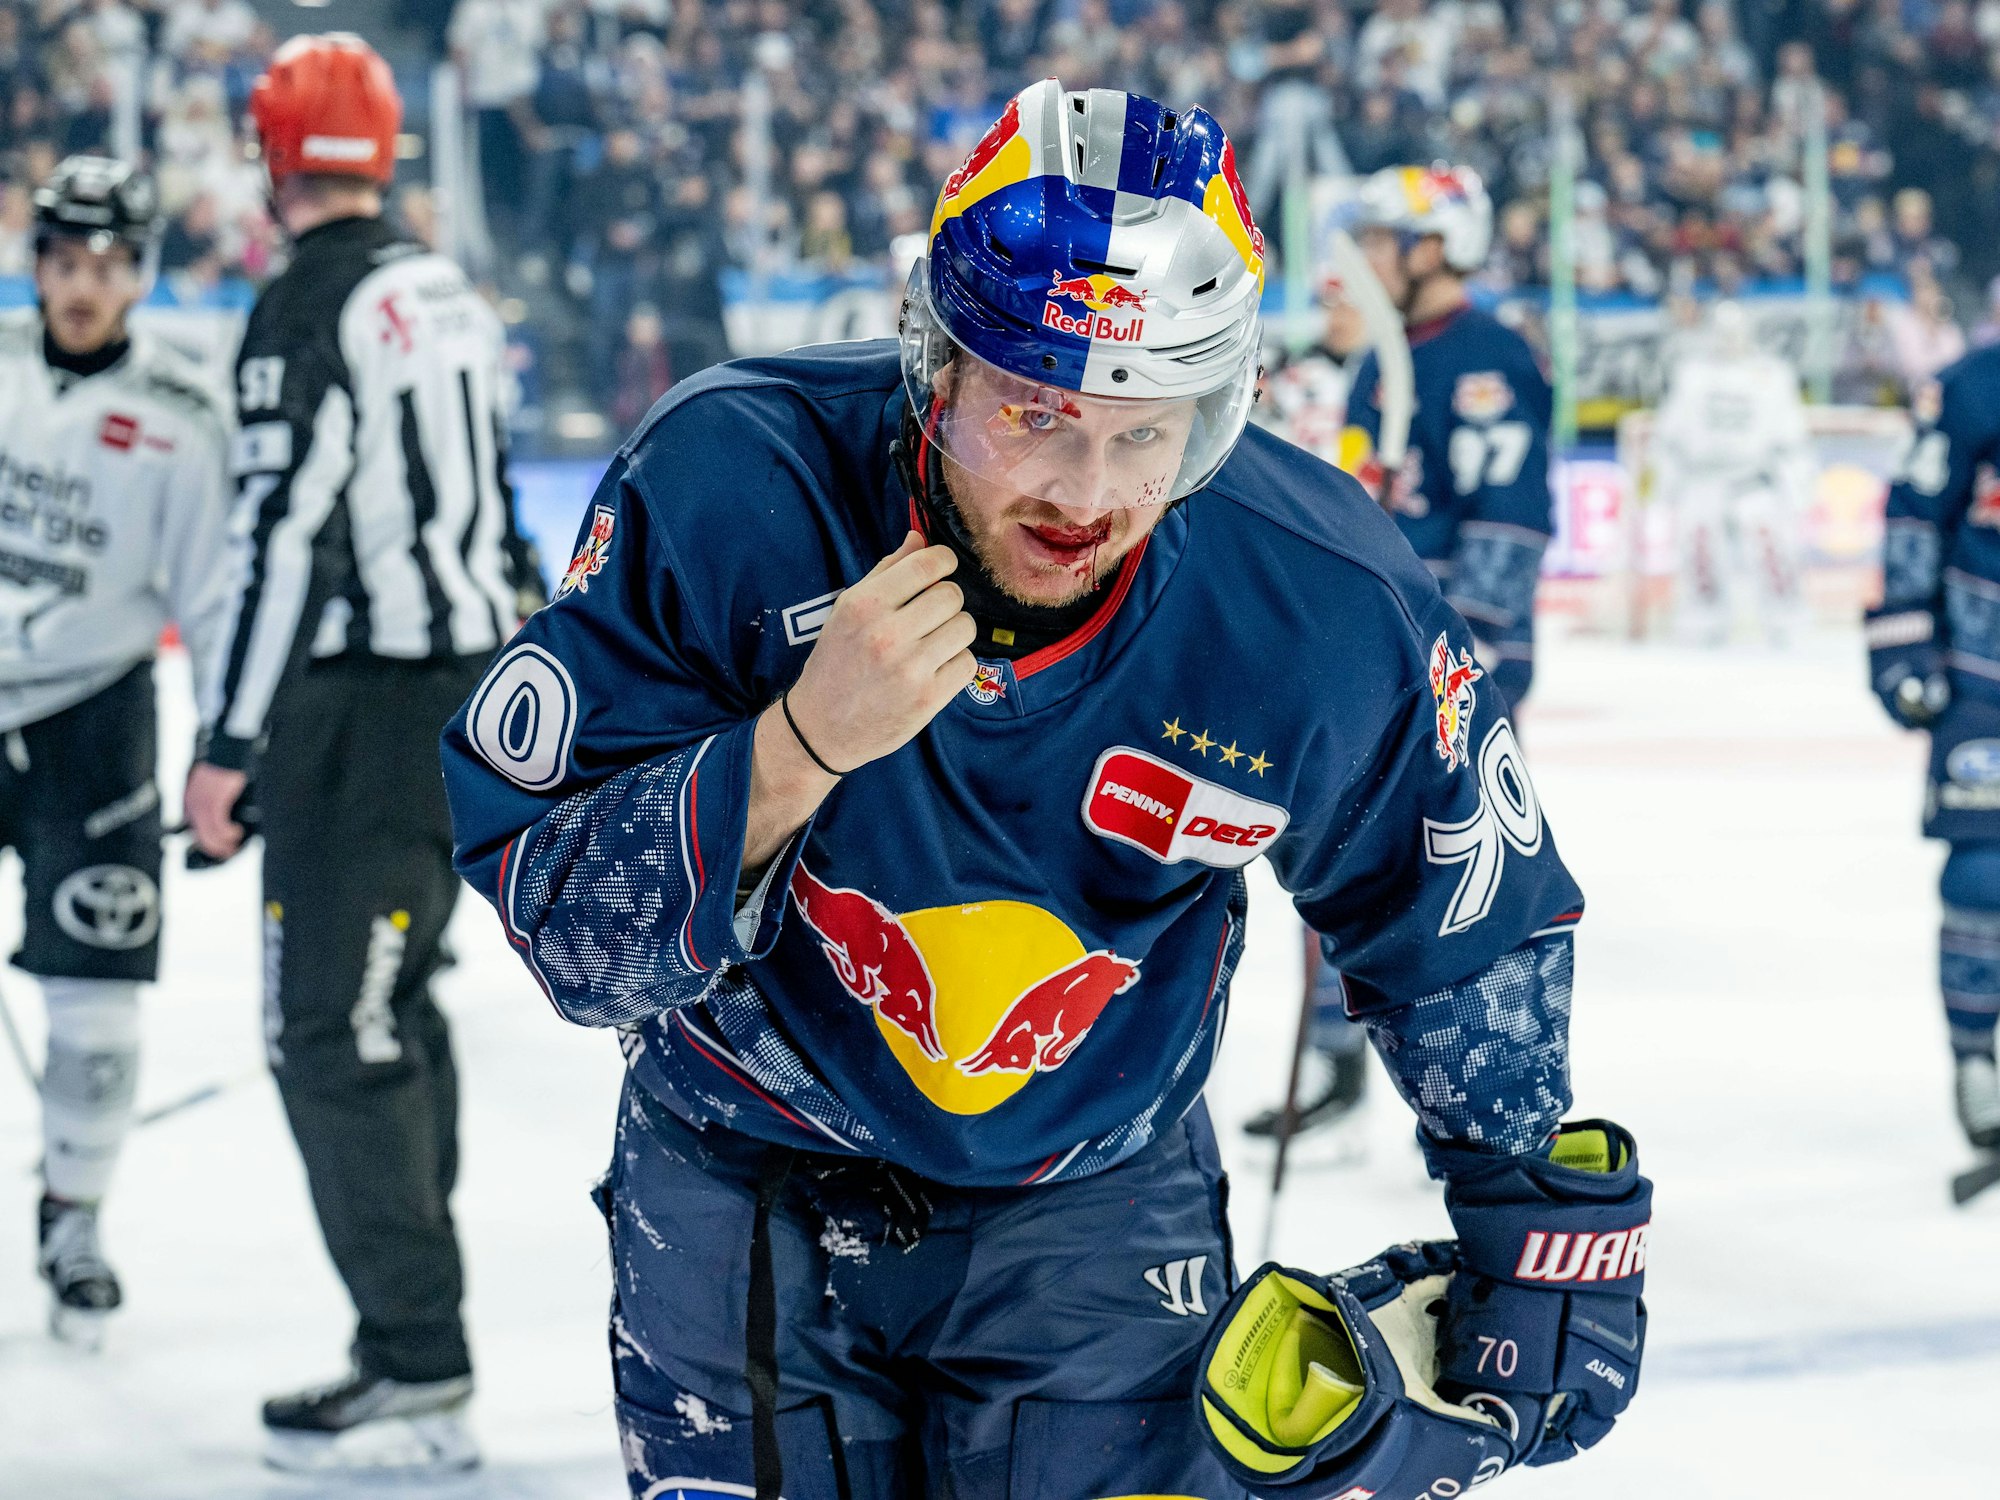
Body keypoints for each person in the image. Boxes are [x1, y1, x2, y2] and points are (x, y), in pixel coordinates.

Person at [443, 81, 1649, 1499]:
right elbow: (570, 935)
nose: (1087, 490)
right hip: (740, 1175)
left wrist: (1531, 1211)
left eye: (1151, 432)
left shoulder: (1317, 596)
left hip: (1095, 1209)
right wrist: (799, 747)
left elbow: (1460, 920)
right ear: (934, 368)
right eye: (1036, 413)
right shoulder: (729, 483)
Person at [182, 34, 542, 1474]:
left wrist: (225, 741)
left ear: (274, 156)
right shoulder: (440, 287)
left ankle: (416, 1362)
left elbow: (284, 537)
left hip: (365, 712)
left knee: (334, 1032)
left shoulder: (307, 306)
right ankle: (413, 1345)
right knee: (399, 1006)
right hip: (460, 698)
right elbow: (497, 501)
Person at [1256, 163, 1556, 1140]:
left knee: (1442, 868)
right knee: (1334, 849)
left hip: (1444, 657)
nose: (1365, 260)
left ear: (1435, 248)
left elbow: (1506, 524)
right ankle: (1334, 1060)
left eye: (1383, 241)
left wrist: (1465, 658)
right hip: (1369, 643)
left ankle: (1473, 1092)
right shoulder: (1382, 358)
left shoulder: (1489, 358)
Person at [1, 154, 234, 1347]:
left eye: (106, 265)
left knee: (93, 992)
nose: (82, 286)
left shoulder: (184, 420)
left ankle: (73, 1216)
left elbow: (217, 599)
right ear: (34, 264)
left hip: (94, 716)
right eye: (63, 261)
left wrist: (228, 750)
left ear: (138, 275)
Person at [1865, 338, 2000, 1159]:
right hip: (1986, 676)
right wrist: (1904, 648)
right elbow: (1915, 513)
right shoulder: (1968, 388)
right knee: (1984, 872)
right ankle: (1978, 1059)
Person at [1651, 300, 1815, 646]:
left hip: (1754, 477)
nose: (1729, 339)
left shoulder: (1771, 375)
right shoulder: (1692, 375)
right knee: (1699, 552)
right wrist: (1666, 483)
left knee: (1772, 550)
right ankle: (1703, 620)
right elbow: (1670, 434)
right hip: (1702, 478)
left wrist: (1797, 485)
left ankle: (1786, 618)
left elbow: (1791, 436)